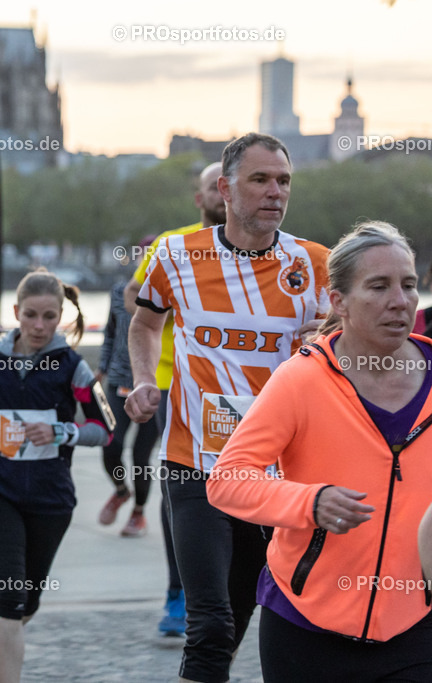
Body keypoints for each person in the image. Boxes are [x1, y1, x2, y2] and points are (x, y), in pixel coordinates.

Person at [125, 133, 330, 683]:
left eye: (283, 181)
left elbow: (362, 349)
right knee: (209, 625)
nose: (275, 192)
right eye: (260, 179)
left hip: (278, 477)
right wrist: (145, 380)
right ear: (225, 188)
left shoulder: (315, 265)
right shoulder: (175, 254)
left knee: (240, 621)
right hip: (196, 467)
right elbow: (145, 322)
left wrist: (331, 336)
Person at [207, 221, 432, 681]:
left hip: (417, 626)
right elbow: (227, 480)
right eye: (379, 286)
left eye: (409, 285)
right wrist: (309, 501)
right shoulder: (301, 380)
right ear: (338, 302)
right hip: (305, 624)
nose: (400, 300)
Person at [0, 269, 115, 683]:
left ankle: (5, 642)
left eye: (50, 317)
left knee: (27, 601)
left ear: (62, 318)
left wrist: (62, 432)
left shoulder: (72, 367)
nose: (40, 326)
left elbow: (104, 430)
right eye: (32, 315)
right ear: (16, 312)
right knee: (9, 594)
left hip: (50, 498)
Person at [120, 161, 226, 635]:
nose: (223, 196)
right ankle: (179, 591)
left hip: (248, 390)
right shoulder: (174, 246)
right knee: (181, 482)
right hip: (173, 383)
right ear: (200, 198)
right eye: (213, 188)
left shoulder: (281, 254)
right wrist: (173, 313)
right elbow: (134, 298)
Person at [97, 239, 160, 538]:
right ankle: (121, 490)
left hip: (153, 384)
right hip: (118, 380)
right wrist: (101, 367)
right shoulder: (119, 290)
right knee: (111, 444)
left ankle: (138, 513)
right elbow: (110, 332)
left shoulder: (168, 293)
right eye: (143, 254)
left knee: (140, 456)